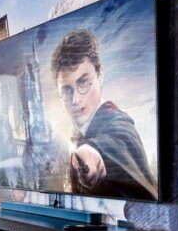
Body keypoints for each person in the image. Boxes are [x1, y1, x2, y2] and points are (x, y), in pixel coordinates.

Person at [50, 29, 157, 200]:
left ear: (100, 76)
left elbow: (120, 138)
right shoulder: (76, 133)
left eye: (83, 82)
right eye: (66, 90)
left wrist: (93, 151)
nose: (76, 99)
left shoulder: (117, 121)